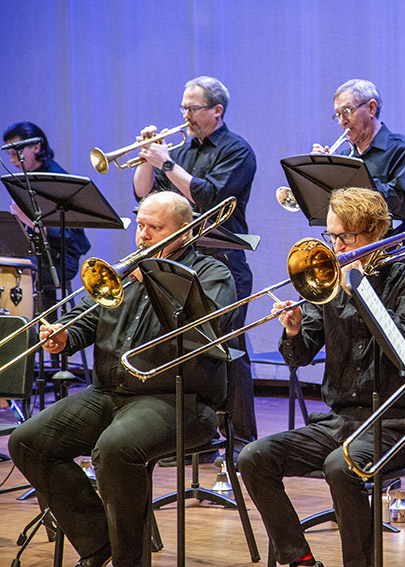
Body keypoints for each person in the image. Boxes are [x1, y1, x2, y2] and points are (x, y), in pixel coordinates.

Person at [8, 191, 237, 567]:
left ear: (185, 232)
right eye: (141, 225)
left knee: (115, 449)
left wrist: (155, 280)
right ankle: (100, 542)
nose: (143, 235)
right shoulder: (124, 270)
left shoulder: (212, 273)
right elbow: (85, 318)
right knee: (28, 442)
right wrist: (63, 335)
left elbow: (204, 329)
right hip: (108, 393)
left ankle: (130, 560)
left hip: (177, 400)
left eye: (155, 228)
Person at [238, 188, 405, 567]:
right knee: (254, 457)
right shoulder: (328, 285)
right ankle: (300, 559)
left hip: (392, 425)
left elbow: (404, 351)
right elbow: (298, 357)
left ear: (375, 233)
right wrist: (293, 329)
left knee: (340, 467)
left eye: (346, 237)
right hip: (337, 421)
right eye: (332, 236)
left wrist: (360, 290)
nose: (336, 246)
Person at [133, 76, 258, 456]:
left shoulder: (238, 150)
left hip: (223, 263)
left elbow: (211, 197)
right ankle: (195, 442)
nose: (185, 114)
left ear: (216, 110)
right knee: (184, 348)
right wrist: (146, 158)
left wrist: (167, 162)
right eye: (183, 107)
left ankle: (241, 442)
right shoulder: (183, 151)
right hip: (181, 260)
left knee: (227, 348)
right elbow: (145, 195)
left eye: (192, 108)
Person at [311, 79, 405, 236]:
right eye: (338, 115)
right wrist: (321, 172)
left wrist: (353, 179)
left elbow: (402, 205)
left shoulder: (402, 147)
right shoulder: (344, 157)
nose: (342, 121)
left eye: (347, 111)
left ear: (371, 108)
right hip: (349, 246)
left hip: (389, 247)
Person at [3, 122, 91, 311]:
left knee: (15, 271)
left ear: (36, 147)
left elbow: (69, 237)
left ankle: (28, 324)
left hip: (61, 260)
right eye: (9, 154)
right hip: (39, 255)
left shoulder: (56, 180)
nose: (12, 160)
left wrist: (34, 223)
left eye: (15, 153)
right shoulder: (28, 178)